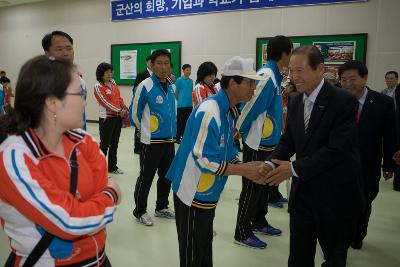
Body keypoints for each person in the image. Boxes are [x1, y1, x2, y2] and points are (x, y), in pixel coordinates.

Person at [0, 55, 121, 266]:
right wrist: (110, 194)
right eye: (80, 93)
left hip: (99, 259)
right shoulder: (14, 157)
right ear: (53, 103)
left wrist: (88, 206)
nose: (85, 100)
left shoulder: (84, 141)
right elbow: (70, 222)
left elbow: (86, 204)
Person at [261, 45, 364, 267]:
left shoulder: (343, 101)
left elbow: (337, 150)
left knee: (334, 256)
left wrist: (293, 169)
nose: (294, 77)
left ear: (320, 69)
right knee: (298, 256)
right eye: (290, 70)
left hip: (335, 195)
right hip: (303, 195)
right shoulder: (297, 101)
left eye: (300, 70)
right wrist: (270, 163)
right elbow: (288, 140)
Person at [166, 56, 269, 267]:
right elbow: (204, 160)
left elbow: (229, 147)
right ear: (233, 83)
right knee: (193, 253)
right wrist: (244, 171)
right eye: (250, 82)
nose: (254, 88)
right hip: (192, 191)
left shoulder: (230, 111)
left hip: (208, 191)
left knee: (203, 248)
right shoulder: (210, 111)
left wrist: (240, 164)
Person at [233, 35, 292, 249]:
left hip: (270, 144)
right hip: (257, 144)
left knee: (263, 188)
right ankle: (242, 231)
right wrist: (238, 127)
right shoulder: (266, 75)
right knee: (252, 189)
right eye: (291, 53)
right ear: (285, 54)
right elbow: (251, 105)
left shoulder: (276, 76)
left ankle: (258, 221)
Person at [339, 60, 396, 249]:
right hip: (338, 164)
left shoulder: (383, 103)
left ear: (364, 78)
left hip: (368, 164)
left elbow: (389, 136)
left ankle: (358, 233)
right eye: (343, 80)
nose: (347, 84)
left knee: (363, 202)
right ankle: (340, 236)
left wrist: (388, 165)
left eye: (352, 79)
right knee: (340, 202)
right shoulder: (336, 100)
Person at [129, 49, 176, 226]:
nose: (163, 67)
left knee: (166, 176)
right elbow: (134, 112)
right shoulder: (145, 85)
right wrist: (144, 131)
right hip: (151, 141)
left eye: (166, 63)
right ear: (152, 64)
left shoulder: (172, 86)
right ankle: (140, 211)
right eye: (159, 63)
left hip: (169, 141)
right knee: (146, 177)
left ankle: (161, 207)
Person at [42, 30, 87, 130]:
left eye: (69, 48)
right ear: (47, 53)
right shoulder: (40, 82)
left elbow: (82, 115)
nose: (65, 53)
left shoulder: (80, 82)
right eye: (59, 49)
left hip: (77, 138)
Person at [94, 62, 127, 175]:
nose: (109, 74)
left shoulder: (113, 83)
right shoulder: (98, 86)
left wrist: (123, 107)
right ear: (101, 73)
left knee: (114, 143)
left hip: (117, 118)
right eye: (106, 72)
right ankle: (100, 170)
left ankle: (112, 167)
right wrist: (119, 110)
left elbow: (118, 98)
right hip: (107, 119)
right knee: (104, 145)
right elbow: (105, 103)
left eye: (110, 71)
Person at [132, 55, 153, 154]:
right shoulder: (141, 75)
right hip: (142, 104)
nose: (151, 64)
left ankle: (147, 144)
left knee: (148, 125)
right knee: (139, 125)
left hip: (152, 106)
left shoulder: (157, 75)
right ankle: (137, 147)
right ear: (146, 62)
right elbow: (135, 89)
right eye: (150, 62)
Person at [175, 64, 194, 143]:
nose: (189, 71)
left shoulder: (191, 81)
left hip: (189, 105)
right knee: (180, 122)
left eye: (190, 70)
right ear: (183, 71)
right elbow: (176, 92)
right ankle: (178, 137)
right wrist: (180, 100)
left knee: (187, 122)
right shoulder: (179, 80)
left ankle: (185, 137)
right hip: (181, 105)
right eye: (187, 70)